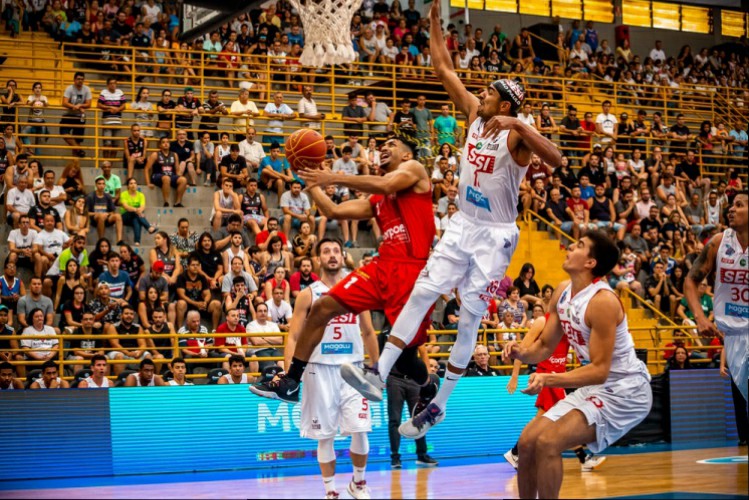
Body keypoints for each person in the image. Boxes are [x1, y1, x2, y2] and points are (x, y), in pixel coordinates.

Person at [342, 0, 561, 439]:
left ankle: (439, 405)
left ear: (505, 102)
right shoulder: (475, 117)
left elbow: (556, 159)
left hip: (495, 236)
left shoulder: (515, 138)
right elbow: (444, 69)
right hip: (463, 223)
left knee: (468, 320)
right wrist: (435, 23)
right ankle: (377, 374)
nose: (480, 94)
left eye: (489, 93)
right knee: (423, 293)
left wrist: (519, 126)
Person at [250, 136, 435, 404]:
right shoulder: (379, 199)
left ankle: (428, 388)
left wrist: (332, 177)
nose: (384, 147)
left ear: (406, 156)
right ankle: (291, 381)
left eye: (392, 144)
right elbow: (333, 210)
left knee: (406, 357)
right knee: (322, 307)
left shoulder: (416, 170)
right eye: (383, 144)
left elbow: (386, 183)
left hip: (412, 272)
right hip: (382, 266)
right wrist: (310, 181)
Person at [502, 231, 652, 499]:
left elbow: (600, 370)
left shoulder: (603, 301)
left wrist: (549, 379)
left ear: (590, 262)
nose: (571, 246)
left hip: (625, 390)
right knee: (526, 443)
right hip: (596, 387)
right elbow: (545, 346)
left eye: (580, 245)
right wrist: (520, 353)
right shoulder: (562, 291)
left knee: (549, 442)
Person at [275, 238, 378, 499]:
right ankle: (331, 491)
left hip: (353, 368)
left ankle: (358, 483)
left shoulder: (358, 289)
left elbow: (368, 331)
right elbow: (294, 337)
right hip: (318, 369)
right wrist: (290, 375)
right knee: (325, 435)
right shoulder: (309, 294)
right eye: (326, 252)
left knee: (361, 428)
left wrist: (377, 369)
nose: (332, 255)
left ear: (343, 256)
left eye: (336, 251)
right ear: (318, 259)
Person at [503, 313, 605, 472]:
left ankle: (516, 452)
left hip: (558, 377)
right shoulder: (542, 321)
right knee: (562, 418)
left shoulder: (570, 324)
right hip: (546, 378)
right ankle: (583, 459)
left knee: (548, 420)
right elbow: (521, 350)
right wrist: (514, 376)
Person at [684, 191, 748, 406]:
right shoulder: (719, 242)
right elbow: (691, 281)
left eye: (739, 205)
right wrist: (700, 318)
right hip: (731, 335)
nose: (731, 209)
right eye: (731, 205)